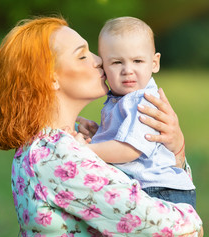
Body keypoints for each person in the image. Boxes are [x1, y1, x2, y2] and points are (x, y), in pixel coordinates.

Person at [0, 16, 203, 237]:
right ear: (51, 78)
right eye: (82, 55)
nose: (99, 60)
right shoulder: (59, 154)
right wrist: (193, 222)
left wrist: (175, 149)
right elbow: (180, 232)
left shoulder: (52, 143)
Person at [82, 17, 196, 209]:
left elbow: (130, 149)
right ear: (103, 67)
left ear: (154, 63)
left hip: (159, 191)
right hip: (148, 189)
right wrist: (99, 136)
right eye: (117, 62)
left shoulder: (142, 101)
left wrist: (86, 151)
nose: (128, 70)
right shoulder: (121, 99)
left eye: (137, 61)